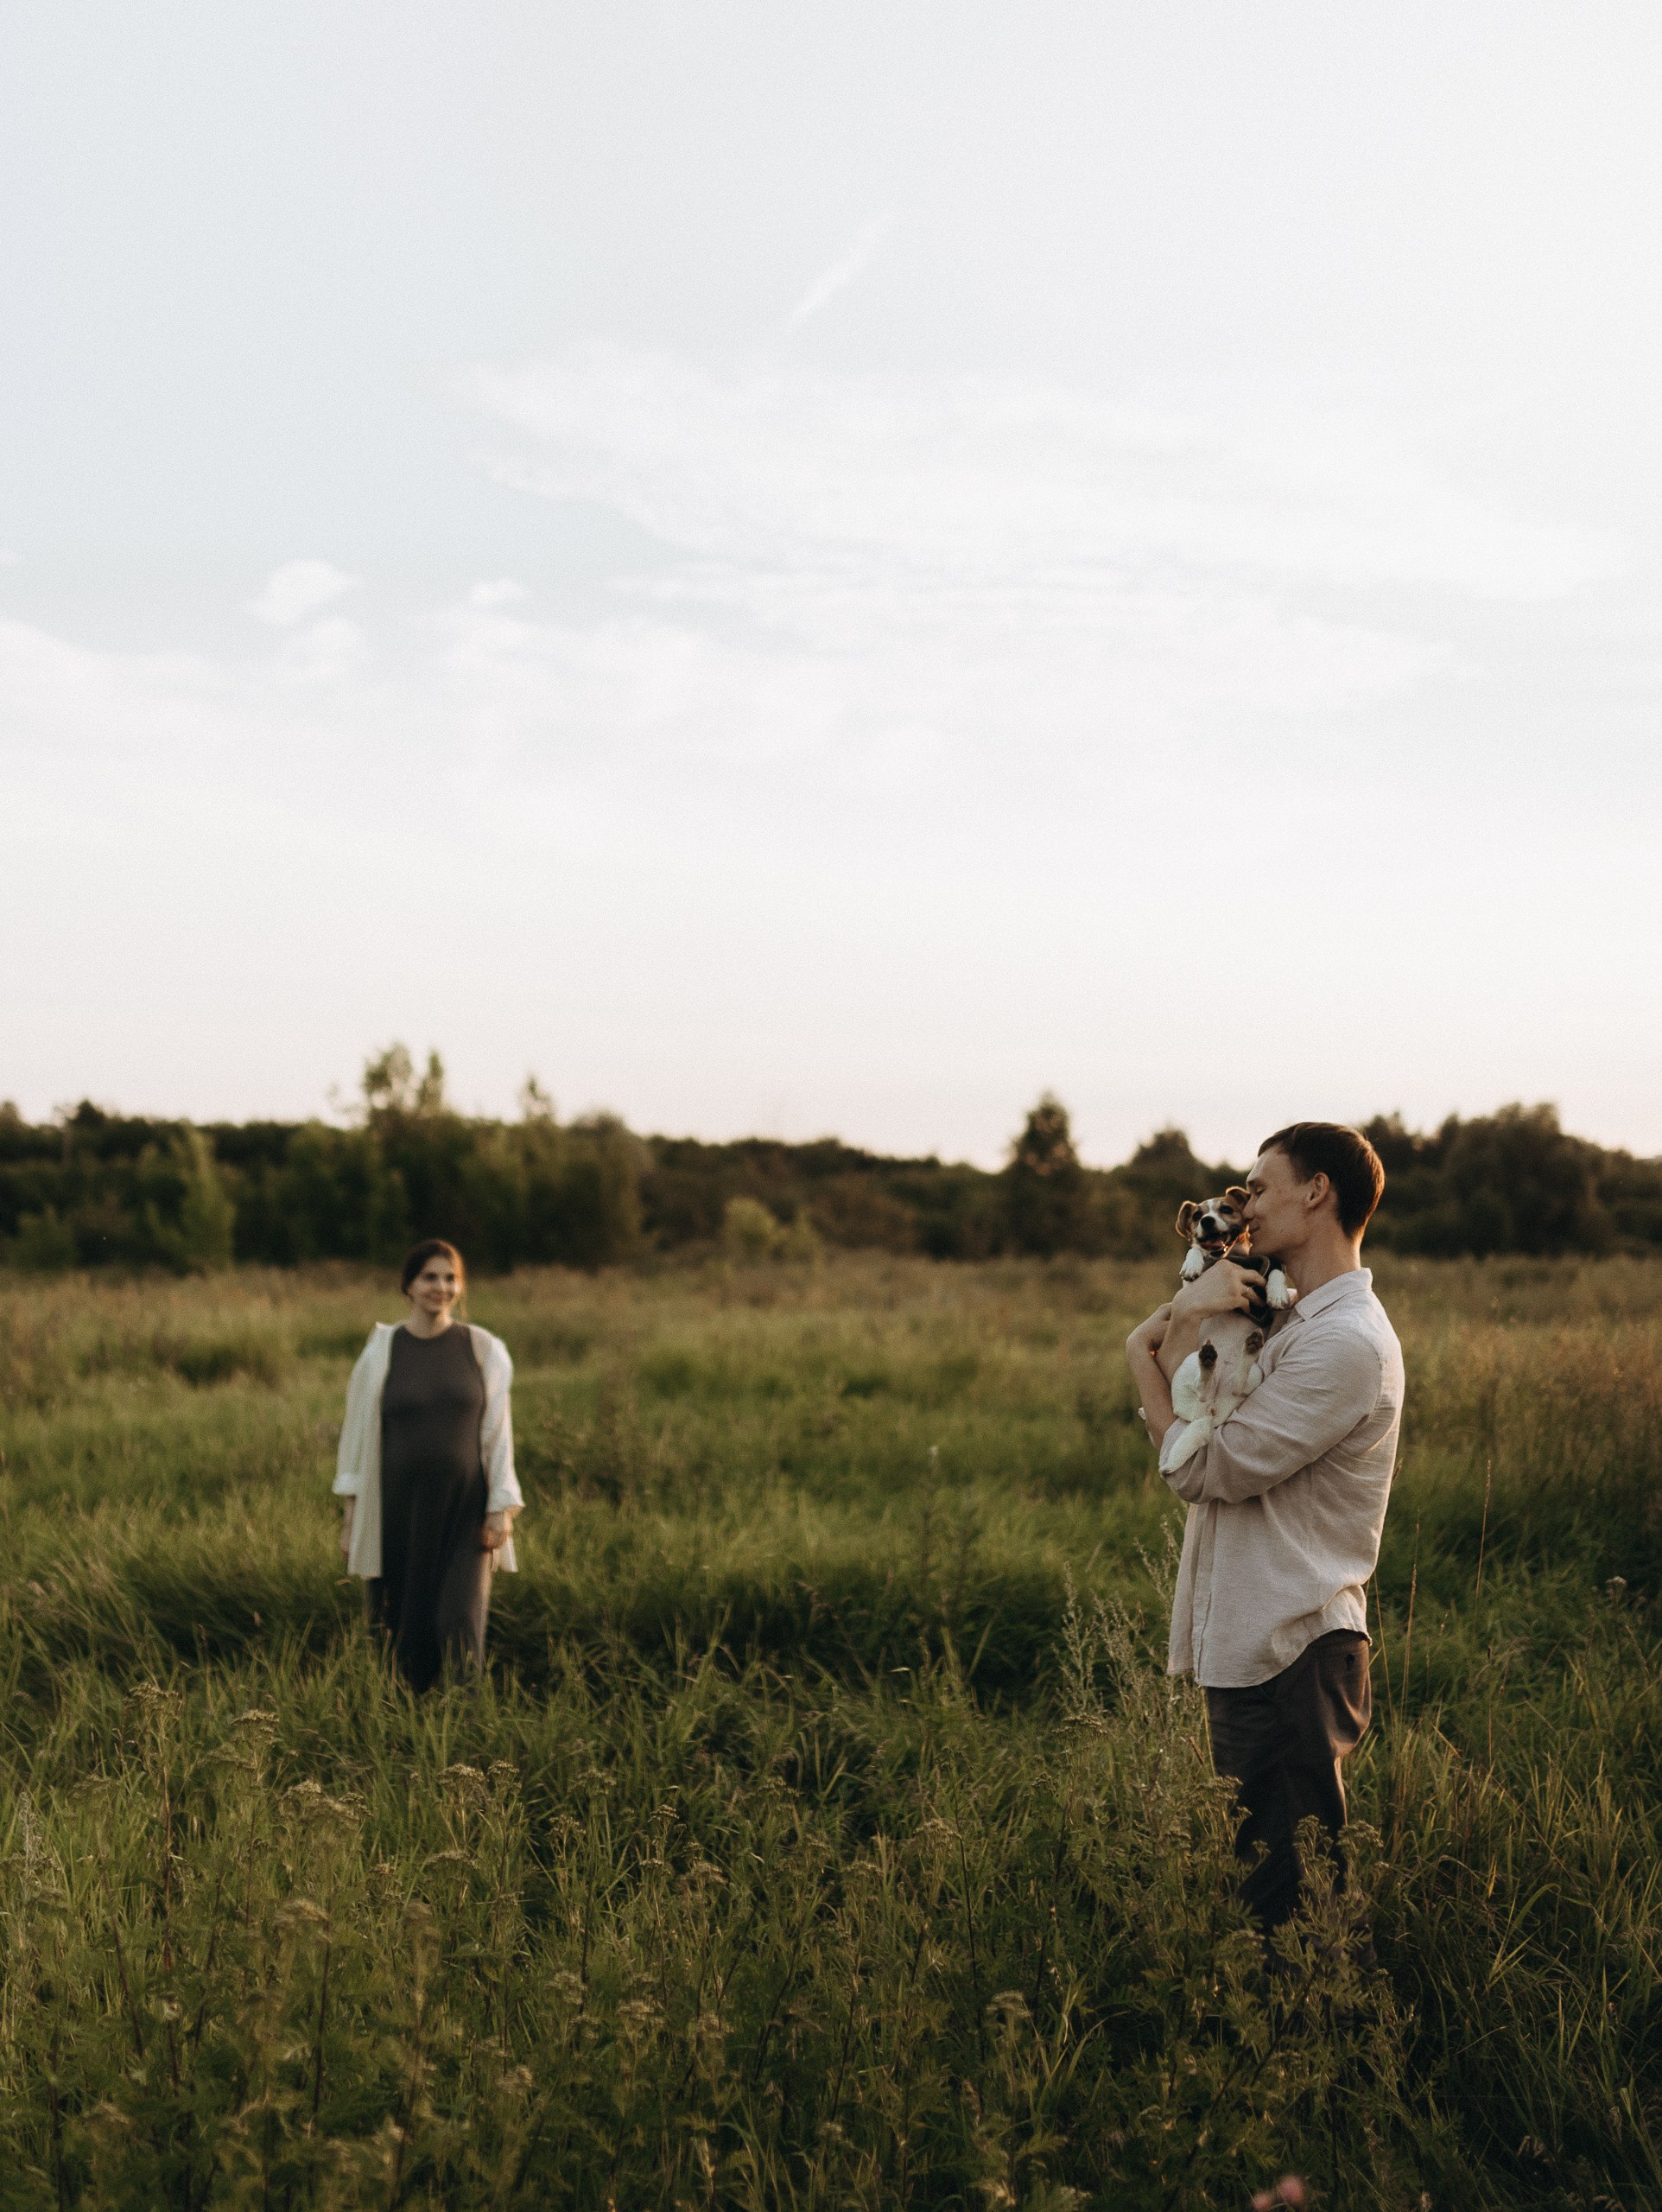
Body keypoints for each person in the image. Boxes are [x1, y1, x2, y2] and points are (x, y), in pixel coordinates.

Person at [1124, 1123, 1403, 1937]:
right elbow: (1198, 1427)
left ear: (1317, 1193)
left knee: (1290, 1909)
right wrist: (1187, 1312)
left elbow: (1205, 1471)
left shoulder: (1344, 1342)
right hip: (1256, 1644)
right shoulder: (1281, 1317)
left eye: (1262, 1186)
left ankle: (1317, 2058)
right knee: (1258, 1887)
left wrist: (1140, 1357)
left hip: (1293, 1651)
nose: (1246, 1204)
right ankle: (1276, 2051)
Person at [333, 1239, 523, 1691]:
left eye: (451, 1278)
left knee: (460, 1618)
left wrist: (501, 1507)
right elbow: (356, 1438)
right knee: (398, 1619)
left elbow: (499, 1434)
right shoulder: (381, 1351)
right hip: (396, 1509)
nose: (442, 1287)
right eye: (430, 1277)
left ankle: (467, 1722)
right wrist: (351, 1518)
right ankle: (405, 1721)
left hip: (465, 1509)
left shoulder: (483, 1348)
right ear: (409, 1285)